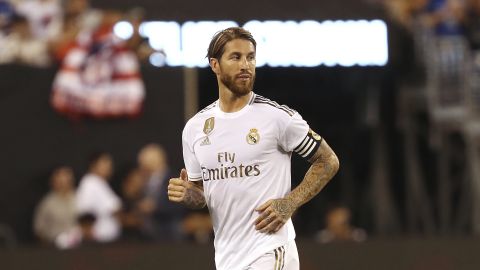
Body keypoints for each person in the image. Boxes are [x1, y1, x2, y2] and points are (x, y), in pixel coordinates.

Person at [168, 27, 339, 270]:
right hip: (227, 257)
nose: (245, 65)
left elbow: (328, 161)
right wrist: (189, 194)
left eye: (250, 57)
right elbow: (202, 196)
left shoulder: (277, 118)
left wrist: (290, 203)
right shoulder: (195, 129)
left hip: (270, 250)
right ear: (215, 65)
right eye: (236, 57)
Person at [76, 152, 121, 242]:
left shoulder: (100, 183)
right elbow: (84, 211)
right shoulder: (89, 183)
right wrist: (88, 233)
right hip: (97, 242)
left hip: (108, 240)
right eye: (104, 163)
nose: (109, 166)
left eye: (109, 163)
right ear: (93, 165)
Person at [33, 166, 77, 244]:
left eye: (67, 180)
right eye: (60, 181)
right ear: (53, 182)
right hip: (54, 246)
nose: (63, 184)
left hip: (79, 246)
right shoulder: (47, 203)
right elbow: (39, 229)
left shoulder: (79, 198)